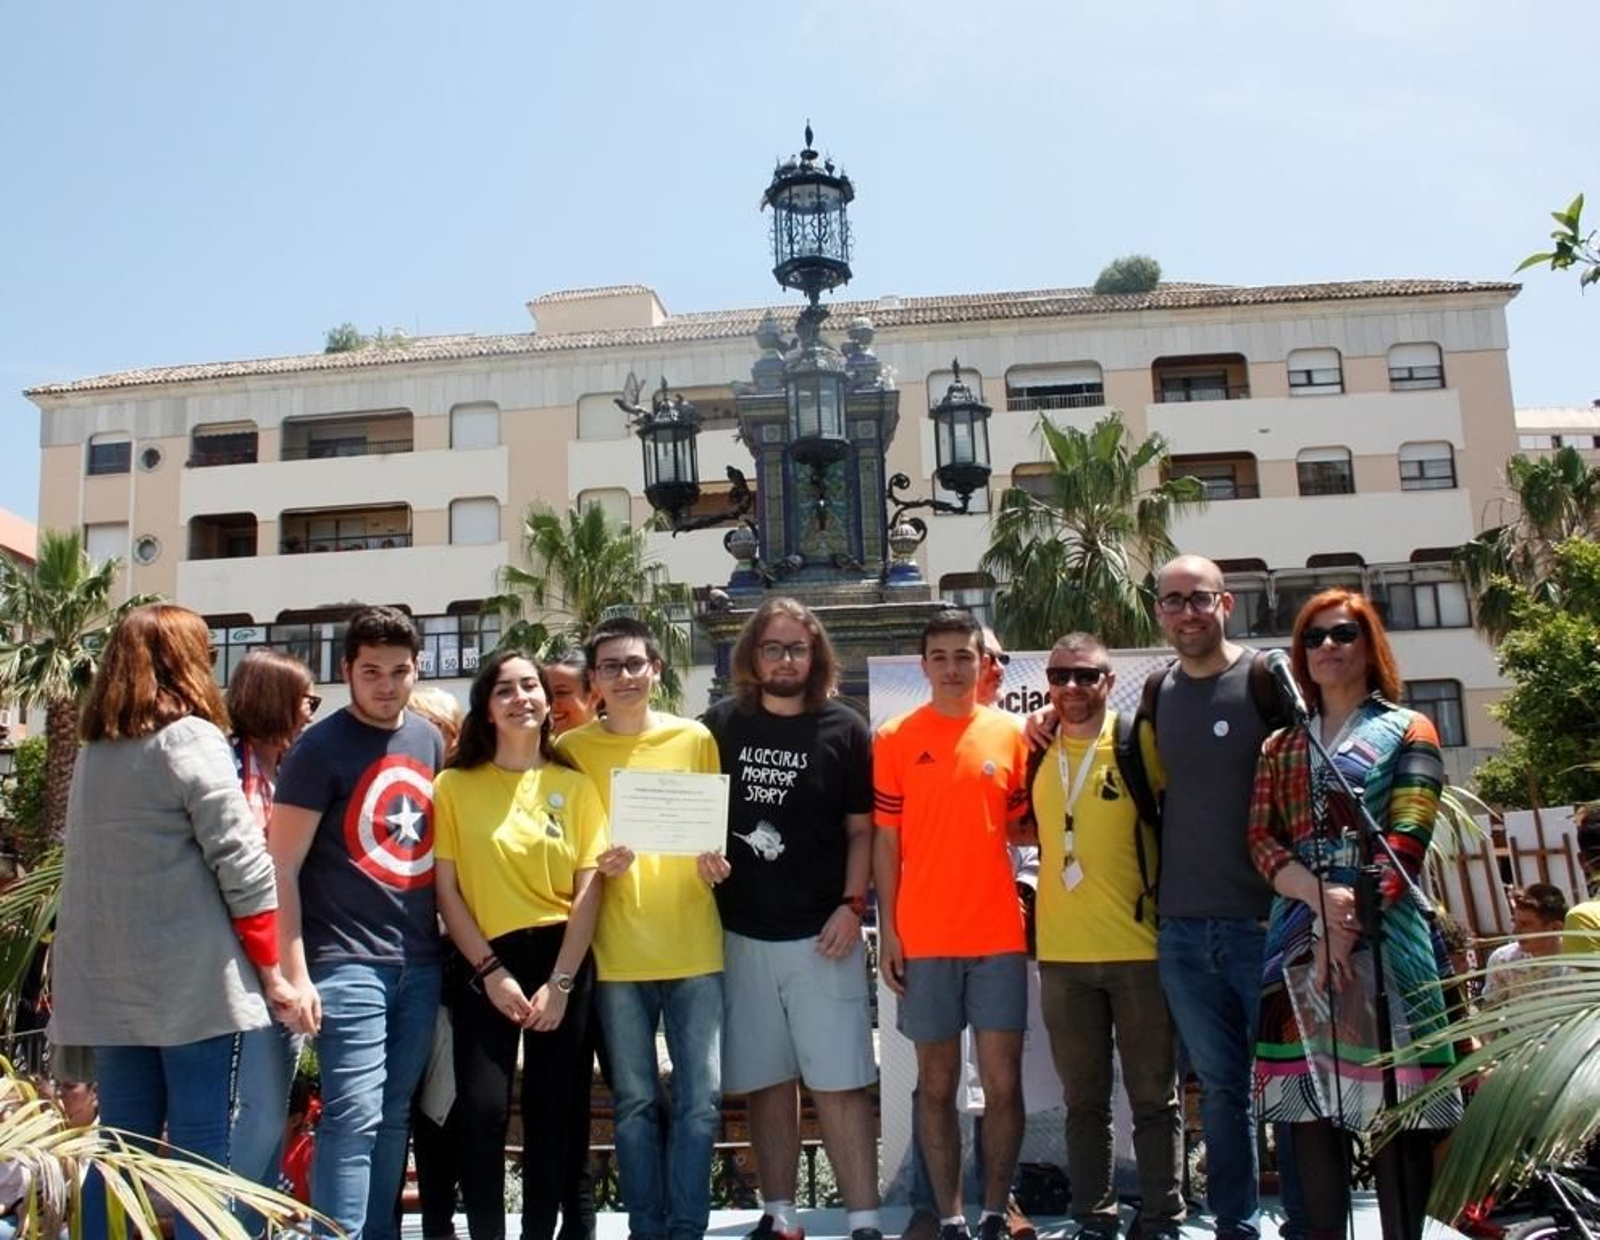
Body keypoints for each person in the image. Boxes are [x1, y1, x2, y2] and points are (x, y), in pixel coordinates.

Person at [47, 603, 296, 1240]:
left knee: (121, 1140)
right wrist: (272, 969)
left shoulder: (98, 753)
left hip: (111, 982)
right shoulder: (190, 739)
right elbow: (242, 861)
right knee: (200, 1142)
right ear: (184, 662)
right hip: (192, 984)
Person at [1248, 589, 1460, 1240]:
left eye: (1342, 634)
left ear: (1370, 646)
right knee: (1308, 1113)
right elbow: (1261, 840)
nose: (1327, 648)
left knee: (1397, 1108)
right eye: (1313, 638)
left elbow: (1407, 838)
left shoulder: (1408, 728)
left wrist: (1352, 921)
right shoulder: (1280, 745)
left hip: (1389, 932)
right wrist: (1320, 903)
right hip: (1297, 933)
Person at [700, 598, 880, 1240]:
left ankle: (863, 1219)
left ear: (816, 656)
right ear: (752, 655)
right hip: (739, 933)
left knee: (841, 1082)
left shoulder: (846, 728)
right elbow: (696, 820)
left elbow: (863, 832)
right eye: (773, 648)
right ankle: (779, 1214)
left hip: (822, 936)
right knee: (767, 1083)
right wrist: (702, 857)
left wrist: (851, 906)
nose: (784, 660)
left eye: (797, 649)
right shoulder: (715, 726)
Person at [270, 605, 445, 1240]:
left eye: (400, 671)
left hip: (421, 962)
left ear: (417, 669)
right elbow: (280, 866)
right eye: (371, 671)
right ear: (346, 670)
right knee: (354, 1115)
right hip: (344, 963)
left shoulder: (430, 740)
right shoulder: (317, 749)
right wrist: (296, 974)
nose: (386, 684)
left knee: (394, 1114)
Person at [554, 616, 723, 1240]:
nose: (624, 677)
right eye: (610, 667)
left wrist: (716, 864)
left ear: (656, 669)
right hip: (615, 955)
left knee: (702, 1105)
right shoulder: (572, 751)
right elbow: (564, 843)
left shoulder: (695, 738)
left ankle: (688, 1229)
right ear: (592, 681)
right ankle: (647, 1229)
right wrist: (596, 863)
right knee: (632, 1106)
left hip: (695, 949)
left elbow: (711, 834)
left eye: (634, 664)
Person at [433, 651, 607, 1240]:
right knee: (481, 1112)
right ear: (486, 706)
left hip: (563, 961)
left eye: (531, 686)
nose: (522, 698)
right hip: (486, 962)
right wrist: (489, 970)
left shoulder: (575, 786)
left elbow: (589, 891)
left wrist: (560, 984)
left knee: (552, 1112)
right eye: (505, 690)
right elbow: (447, 891)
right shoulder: (453, 785)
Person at [874, 608, 1030, 1240]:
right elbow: (886, 843)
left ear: (982, 663)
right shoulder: (893, 737)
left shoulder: (1012, 735)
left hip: (997, 935)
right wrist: (889, 931)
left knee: (1002, 1084)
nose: (951, 667)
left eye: (963, 656)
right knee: (936, 1087)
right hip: (926, 937)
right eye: (938, 656)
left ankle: (995, 1212)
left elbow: (1026, 826)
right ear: (923, 665)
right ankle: (951, 1217)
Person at [1030, 633, 1183, 1240]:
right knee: (1083, 1102)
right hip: (1063, 959)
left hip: (1139, 952)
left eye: (1085, 676)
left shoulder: (1135, 739)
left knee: (1153, 1099)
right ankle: (1093, 1215)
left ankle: (1162, 1214)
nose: (1071, 687)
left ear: (1107, 680)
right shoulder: (1035, 745)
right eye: (1060, 675)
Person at [225, 649, 320, 1216]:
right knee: (256, 1111)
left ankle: (252, 1220)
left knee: (271, 1105)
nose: (310, 712)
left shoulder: (284, 771)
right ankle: (226, 1222)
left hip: (280, 961)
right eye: (306, 700)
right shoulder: (230, 768)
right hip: (243, 965)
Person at [405, 686, 468, 1240]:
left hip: (469, 968)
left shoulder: (465, 791)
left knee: (460, 1103)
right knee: (423, 1105)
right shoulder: (393, 794)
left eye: (441, 732)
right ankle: (434, 1223)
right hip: (409, 964)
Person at [1482, 883, 1570, 1006]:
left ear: (1555, 928)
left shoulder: (1578, 963)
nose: (1515, 932)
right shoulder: (1503, 961)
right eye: (1515, 922)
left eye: (1525, 925)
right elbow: (1489, 1010)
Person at [545, 648, 602, 736]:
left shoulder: (620, 743)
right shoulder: (535, 747)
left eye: (561, 693)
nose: (549, 702)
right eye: (545, 692)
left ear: (594, 696)